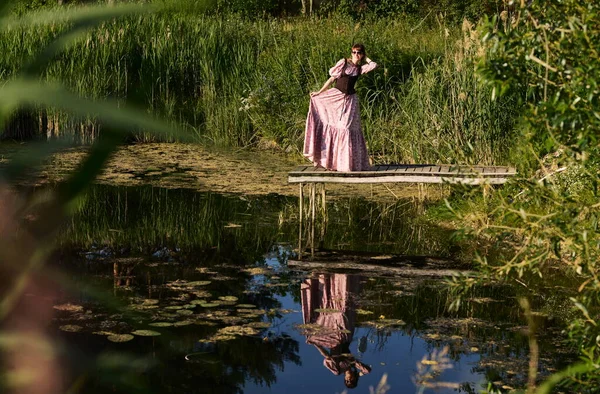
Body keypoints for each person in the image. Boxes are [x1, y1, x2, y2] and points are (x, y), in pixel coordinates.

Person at [303, 44, 378, 172]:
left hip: (350, 101)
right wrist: (319, 92)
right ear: (351, 52)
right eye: (354, 52)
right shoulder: (343, 63)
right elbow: (332, 79)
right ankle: (331, 162)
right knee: (337, 127)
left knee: (347, 129)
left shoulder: (360, 68)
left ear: (362, 54)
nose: (356, 54)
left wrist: (366, 58)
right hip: (336, 97)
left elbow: (374, 65)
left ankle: (347, 164)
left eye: (359, 52)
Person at [300, 273, 371, 389]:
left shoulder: (338, 370)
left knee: (334, 313)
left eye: (347, 381)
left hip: (334, 340)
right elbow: (367, 370)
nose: (349, 379)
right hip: (346, 337)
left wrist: (316, 345)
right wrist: (359, 374)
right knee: (345, 308)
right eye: (351, 380)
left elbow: (326, 356)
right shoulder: (352, 364)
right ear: (354, 378)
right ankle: (343, 278)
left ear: (344, 379)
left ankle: (324, 279)